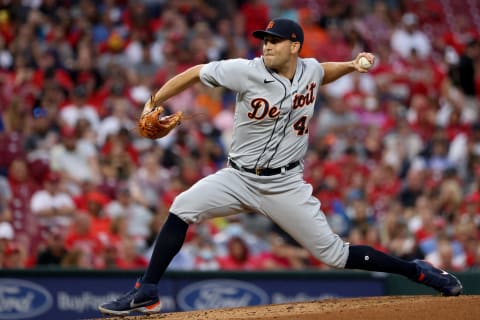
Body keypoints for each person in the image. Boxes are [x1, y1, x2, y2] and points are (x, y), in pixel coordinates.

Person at [98, 18, 463, 316]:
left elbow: (323, 71)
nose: (266, 45)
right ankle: (146, 290)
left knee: (334, 255)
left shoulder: (310, 71)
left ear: (294, 46)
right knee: (181, 208)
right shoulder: (244, 71)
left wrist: (351, 66)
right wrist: (153, 100)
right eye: (264, 40)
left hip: (285, 184)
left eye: (274, 40)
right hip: (238, 177)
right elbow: (195, 72)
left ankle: (417, 269)